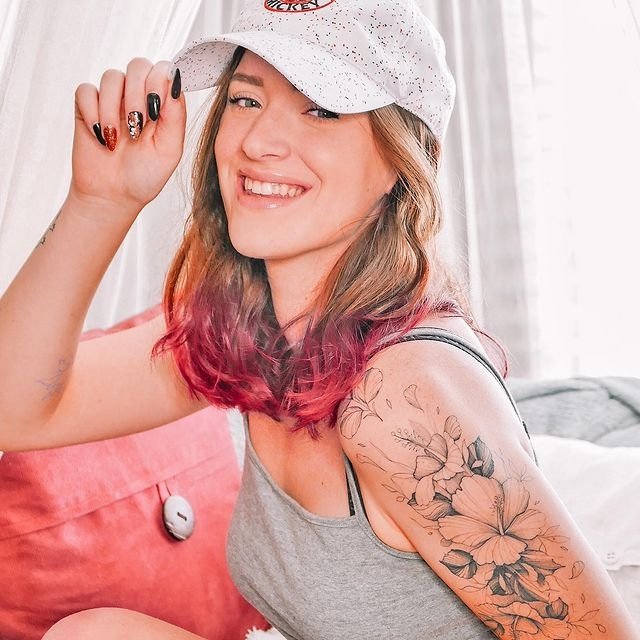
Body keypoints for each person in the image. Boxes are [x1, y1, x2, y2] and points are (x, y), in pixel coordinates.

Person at [0, 0, 637, 638]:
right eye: (246, 99)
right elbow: (13, 408)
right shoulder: (257, 338)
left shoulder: (401, 397)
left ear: (402, 159)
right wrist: (101, 201)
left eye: (322, 109)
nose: (258, 142)